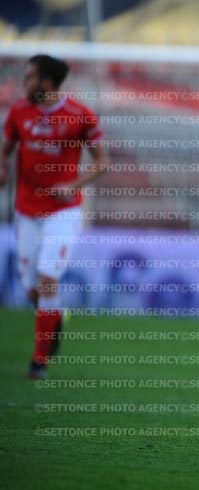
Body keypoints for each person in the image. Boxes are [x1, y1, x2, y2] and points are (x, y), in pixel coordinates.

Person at [0, 54, 109, 379]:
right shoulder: (19, 112)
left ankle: (39, 362)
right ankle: (55, 317)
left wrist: (74, 184)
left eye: (30, 76)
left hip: (63, 210)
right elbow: (5, 150)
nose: (24, 81)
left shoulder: (80, 115)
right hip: (26, 210)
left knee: (48, 280)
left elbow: (102, 161)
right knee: (32, 289)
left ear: (46, 82)